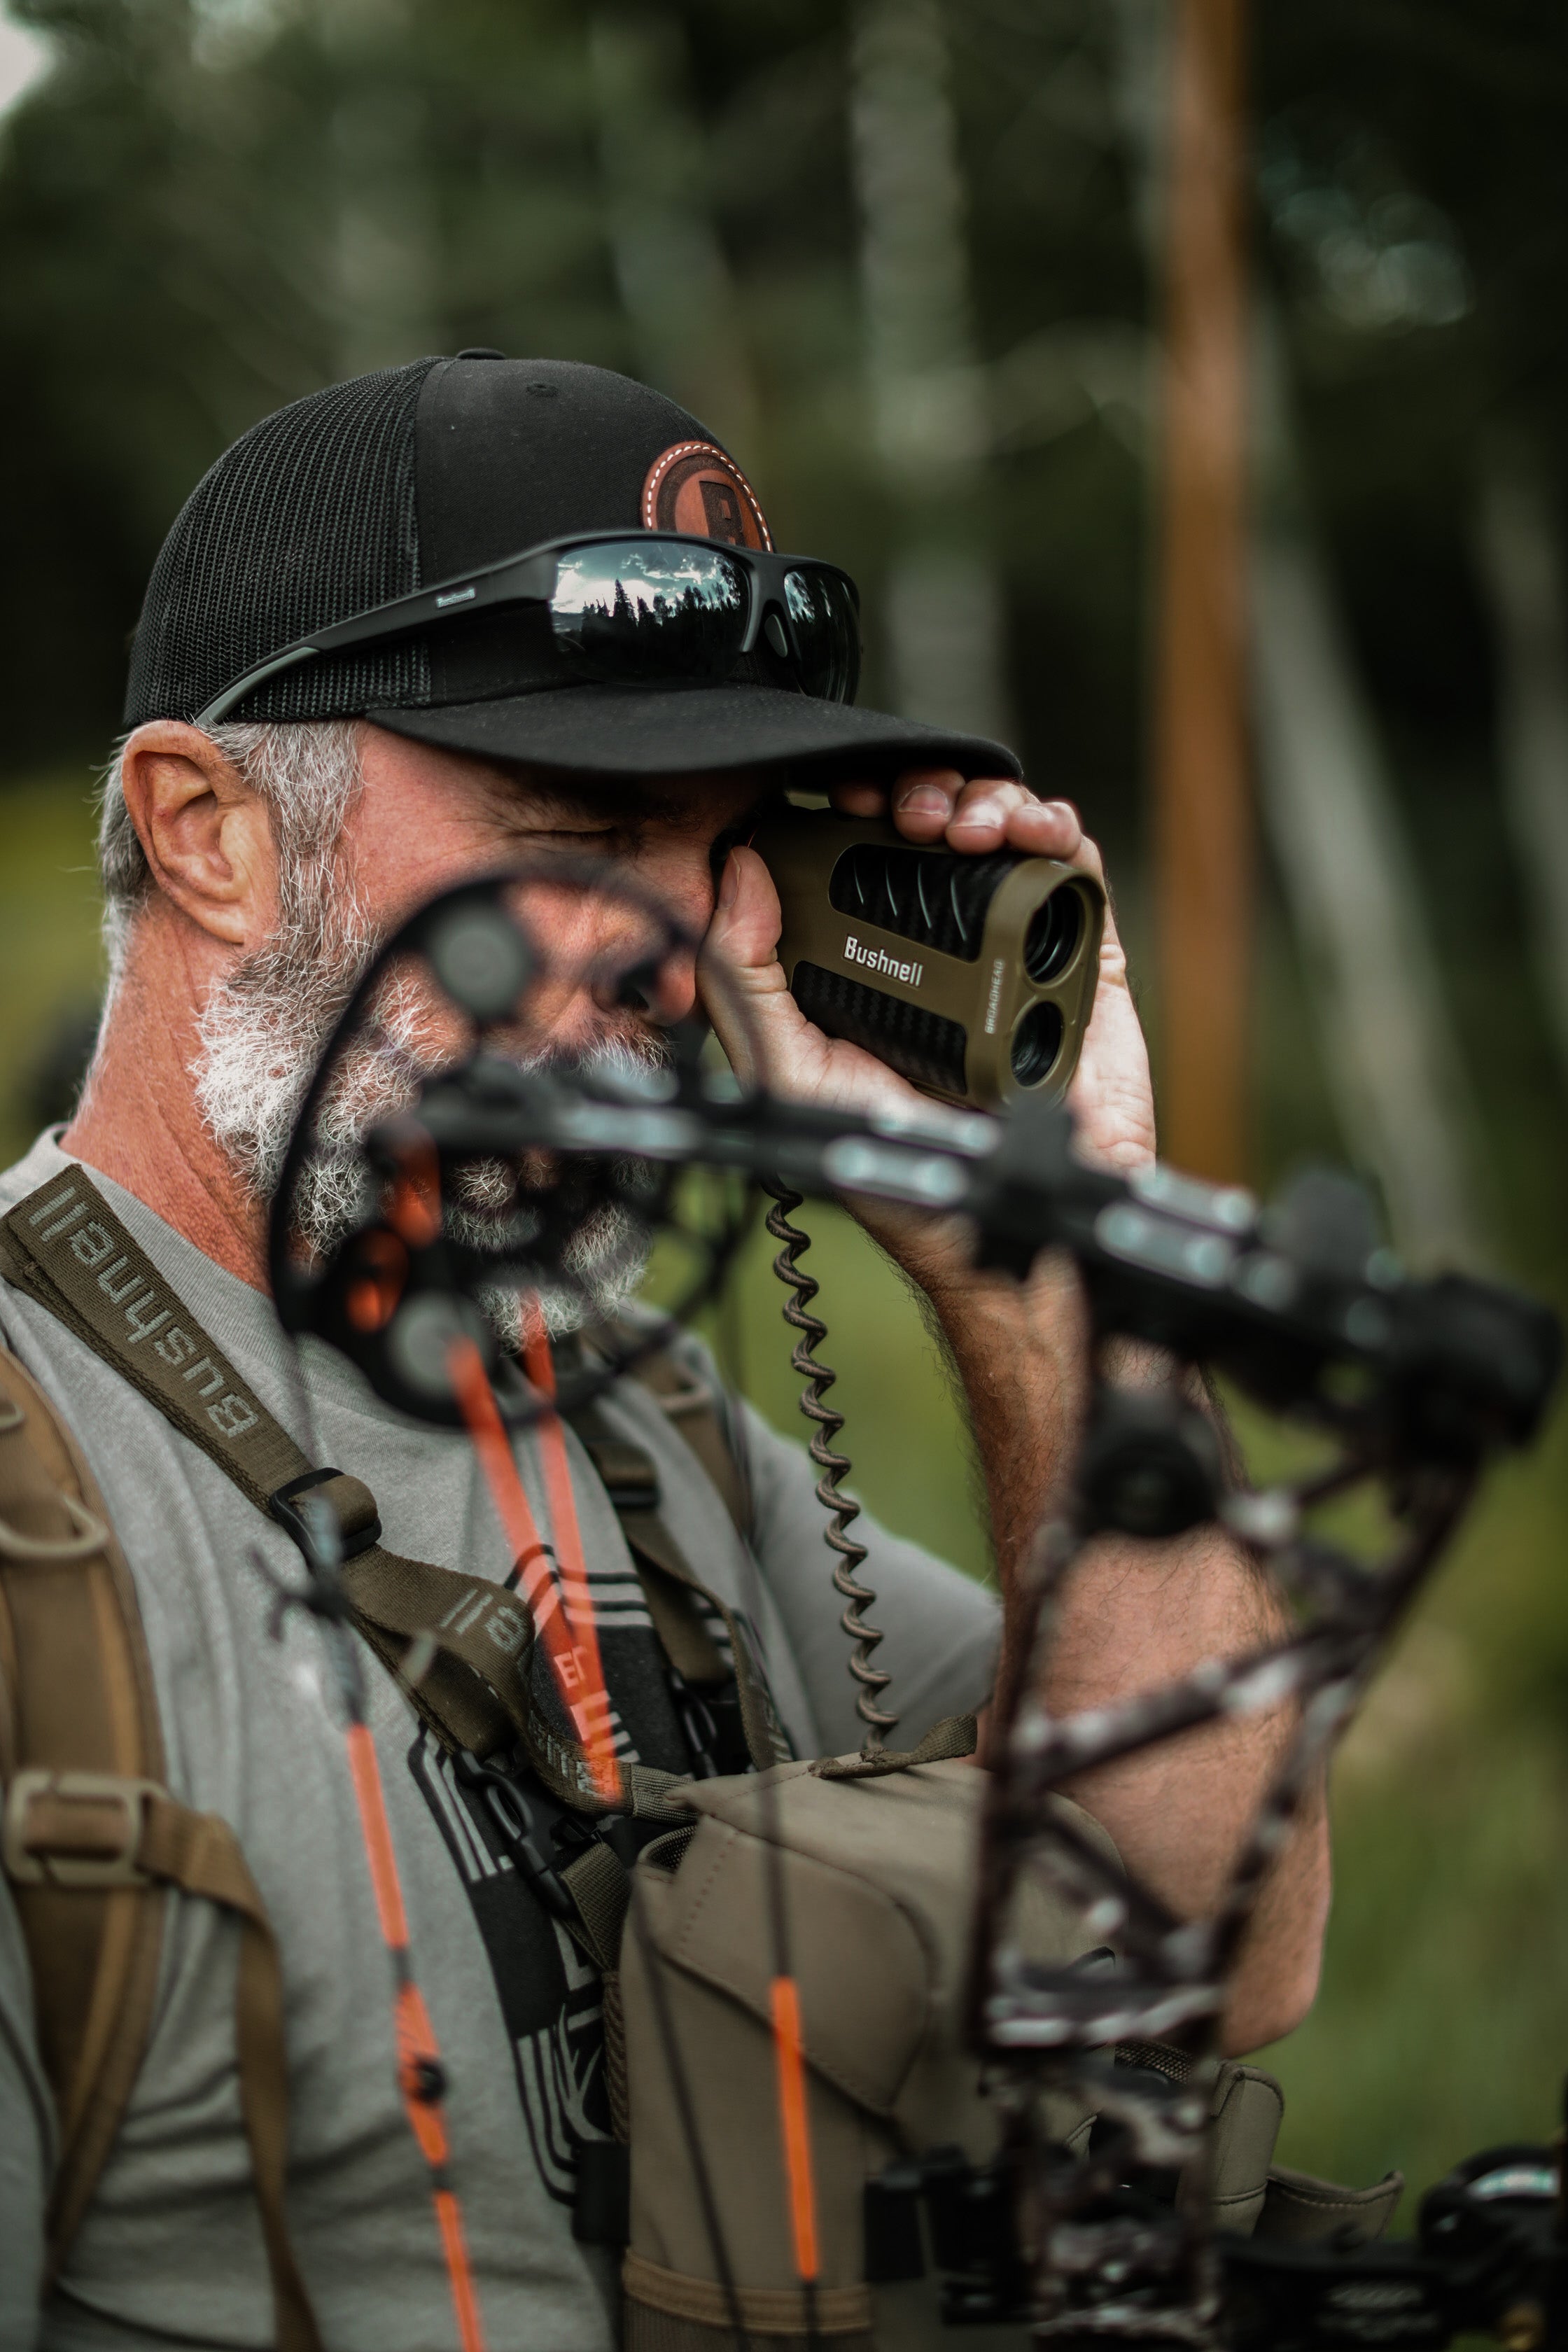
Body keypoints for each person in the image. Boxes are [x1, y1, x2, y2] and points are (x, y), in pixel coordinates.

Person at [0, 354, 1328, 2350]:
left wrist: (1052, 1265)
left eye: (729, 847)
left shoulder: (634, 1417)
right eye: (575, 823)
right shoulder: (47, 1502)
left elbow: (1208, 1940)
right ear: (207, 833)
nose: (685, 949)